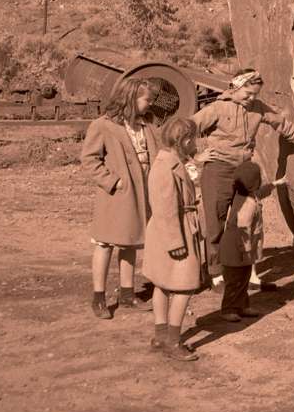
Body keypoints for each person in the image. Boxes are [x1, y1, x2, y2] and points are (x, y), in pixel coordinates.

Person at [192, 69, 294, 284]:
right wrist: (195, 156)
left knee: (246, 221)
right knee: (216, 223)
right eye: (248, 93)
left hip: (245, 172)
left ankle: (247, 273)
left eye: (255, 94)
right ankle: (216, 274)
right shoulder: (217, 108)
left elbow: (281, 123)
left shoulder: (258, 108)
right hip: (217, 170)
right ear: (236, 87)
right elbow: (186, 128)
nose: (251, 98)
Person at [80, 77, 160, 319]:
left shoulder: (146, 125)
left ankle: (127, 294)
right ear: (131, 98)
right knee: (105, 243)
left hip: (142, 191)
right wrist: (113, 181)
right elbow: (89, 160)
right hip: (116, 194)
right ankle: (99, 298)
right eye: (147, 99)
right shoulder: (103, 126)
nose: (150, 104)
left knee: (130, 241)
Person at [143, 116, 206, 362]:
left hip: (170, 231)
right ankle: (172, 340)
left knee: (162, 284)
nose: (197, 144)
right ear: (185, 140)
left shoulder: (173, 162)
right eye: (194, 139)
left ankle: (161, 336)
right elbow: (165, 208)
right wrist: (175, 242)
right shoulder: (165, 168)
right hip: (174, 232)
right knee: (184, 285)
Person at [219, 160, 283, 322]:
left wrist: (275, 184)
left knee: (243, 280)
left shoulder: (245, 195)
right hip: (237, 251)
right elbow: (243, 231)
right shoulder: (247, 205)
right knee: (235, 282)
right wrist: (247, 251)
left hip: (239, 251)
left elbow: (261, 192)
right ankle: (228, 309)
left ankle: (242, 306)